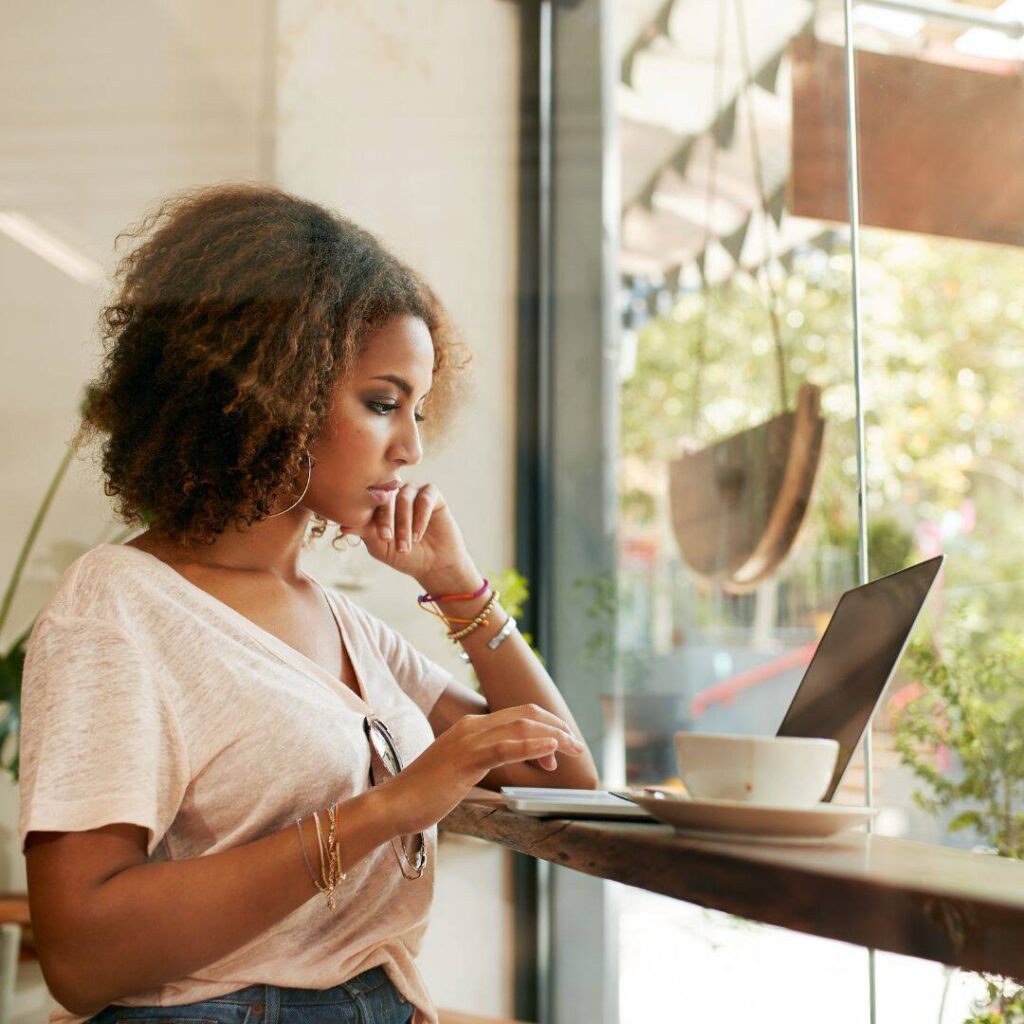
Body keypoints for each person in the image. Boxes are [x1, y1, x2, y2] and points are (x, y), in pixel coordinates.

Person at [18, 183, 599, 1024]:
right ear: (269, 392)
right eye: (383, 402)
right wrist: (389, 808)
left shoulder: (343, 623)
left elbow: (566, 778)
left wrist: (457, 586)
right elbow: (80, 956)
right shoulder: (118, 606)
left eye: (421, 410)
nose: (413, 447)